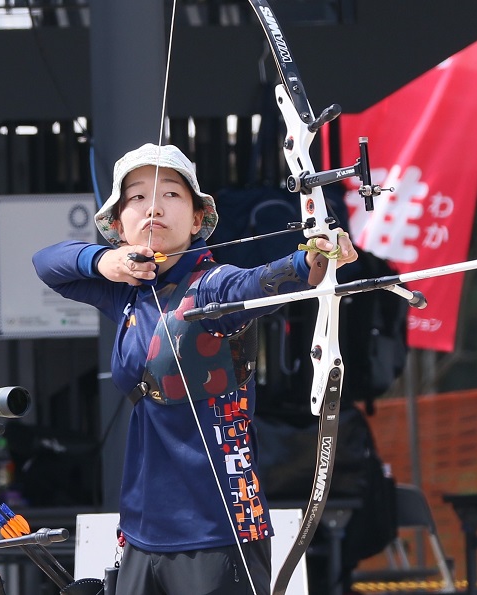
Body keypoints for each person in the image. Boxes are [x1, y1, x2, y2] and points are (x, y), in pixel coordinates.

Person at [32, 143, 357, 595]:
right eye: (137, 198)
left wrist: (310, 262)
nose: (153, 208)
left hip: (218, 532)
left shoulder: (213, 286)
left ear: (198, 219)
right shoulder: (127, 294)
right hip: (143, 531)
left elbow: (259, 280)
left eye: (171, 195)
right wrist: (105, 262)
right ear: (119, 223)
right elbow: (47, 264)